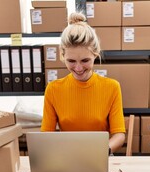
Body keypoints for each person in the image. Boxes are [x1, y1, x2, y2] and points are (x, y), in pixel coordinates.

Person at [40, 12, 126, 154]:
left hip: (99, 157)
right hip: (66, 159)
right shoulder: (53, 89)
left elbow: (119, 135)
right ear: (62, 56)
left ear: (95, 54)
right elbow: (46, 136)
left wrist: (101, 151)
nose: (78, 68)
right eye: (71, 61)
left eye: (85, 61)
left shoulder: (112, 87)